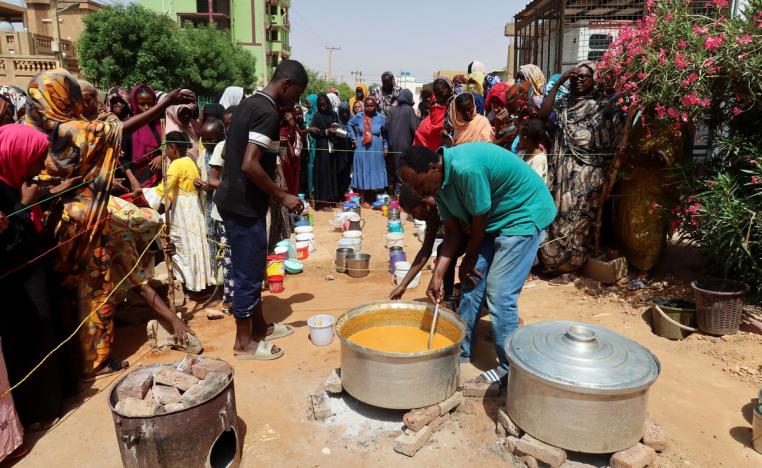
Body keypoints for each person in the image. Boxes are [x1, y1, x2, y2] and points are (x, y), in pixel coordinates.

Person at [25, 69, 196, 378]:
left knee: (62, 294)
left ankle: (68, 367)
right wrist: (163, 104)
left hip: (46, 226)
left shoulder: (30, 131)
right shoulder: (71, 131)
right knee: (93, 290)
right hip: (84, 224)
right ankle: (94, 362)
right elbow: (121, 130)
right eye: (76, 96)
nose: (81, 102)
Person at [399, 143, 556, 383]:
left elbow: (479, 219)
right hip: (495, 219)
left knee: (499, 294)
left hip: (523, 213)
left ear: (433, 168)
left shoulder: (467, 169)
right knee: (472, 285)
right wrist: (437, 276)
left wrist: (469, 259)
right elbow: (453, 234)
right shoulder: (440, 186)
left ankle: (510, 369)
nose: (420, 193)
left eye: (420, 186)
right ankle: (461, 352)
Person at [214, 59, 308, 360]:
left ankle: (260, 328)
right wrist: (283, 196)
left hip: (238, 199)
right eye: (297, 94)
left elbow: (231, 151)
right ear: (286, 84)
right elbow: (249, 164)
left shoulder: (249, 104)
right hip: (243, 205)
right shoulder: (266, 112)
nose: (296, 101)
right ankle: (244, 343)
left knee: (252, 267)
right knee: (248, 273)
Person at [0, 124, 78, 431]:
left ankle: (54, 398)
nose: (38, 166)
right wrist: (25, 206)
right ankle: (36, 411)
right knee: (29, 339)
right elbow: (6, 243)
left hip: (31, 271)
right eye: (34, 158)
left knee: (48, 328)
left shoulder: (14, 179)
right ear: (14, 155)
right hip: (13, 285)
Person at [538, 61, 624, 275]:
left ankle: (572, 266)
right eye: (575, 77)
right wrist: (559, 83)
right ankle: (552, 262)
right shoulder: (565, 102)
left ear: (594, 79)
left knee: (576, 221)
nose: (578, 81)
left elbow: (614, 139)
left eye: (584, 77)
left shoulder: (602, 106)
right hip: (561, 174)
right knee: (557, 218)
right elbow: (543, 114)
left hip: (587, 174)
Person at [144, 131, 214, 292]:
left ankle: (191, 283)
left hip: (183, 210)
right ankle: (200, 282)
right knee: (194, 243)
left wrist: (142, 193)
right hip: (193, 207)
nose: (165, 153)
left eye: (165, 149)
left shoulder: (176, 165)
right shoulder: (190, 161)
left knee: (183, 243)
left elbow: (164, 188)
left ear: (172, 147)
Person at [389, 185, 464, 301]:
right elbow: (425, 250)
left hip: (477, 232)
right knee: (441, 250)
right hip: (461, 234)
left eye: (414, 212)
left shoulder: (445, 204)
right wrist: (403, 285)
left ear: (424, 204)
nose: (414, 216)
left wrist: (470, 258)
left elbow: (456, 235)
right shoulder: (431, 215)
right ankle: (449, 297)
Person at [348, 96, 388, 206]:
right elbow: (349, 125)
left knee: (374, 170)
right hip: (362, 147)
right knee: (363, 169)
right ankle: (363, 198)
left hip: (376, 147)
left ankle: (372, 197)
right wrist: (354, 138)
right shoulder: (359, 116)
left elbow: (384, 134)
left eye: (371, 106)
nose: (369, 108)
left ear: (375, 107)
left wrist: (385, 146)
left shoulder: (380, 118)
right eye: (367, 106)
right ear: (364, 106)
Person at [126, 84, 164, 188]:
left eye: (150, 104)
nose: (146, 108)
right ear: (134, 103)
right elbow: (123, 158)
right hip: (136, 179)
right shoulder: (128, 126)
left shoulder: (161, 124)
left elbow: (168, 146)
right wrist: (133, 181)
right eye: (142, 104)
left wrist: (161, 156)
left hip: (160, 178)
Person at [309, 93, 341, 209]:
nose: (323, 107)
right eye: (321, 105)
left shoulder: (333, 114)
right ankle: (323, 201)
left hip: (333, 146)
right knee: (323, 173)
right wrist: (326, 132)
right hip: (322, 148)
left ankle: (332, 199)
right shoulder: (317, 116)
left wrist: (336, 131)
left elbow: (337, 127)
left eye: (325, 105)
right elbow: (314, 132)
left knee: (333, 172)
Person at [386, 89, 420, 195]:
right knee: (403, 172)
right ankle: (399, 197)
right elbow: (415, 128)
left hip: (392, 146)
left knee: (395, 171)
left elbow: (386, 127)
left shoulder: (391, 110)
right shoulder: (409, 110)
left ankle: (395, 195)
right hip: (405, 146)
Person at [414, 77, 453, 151]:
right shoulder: (436, 111)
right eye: (437, 93)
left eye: (441, 92)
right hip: (425, 154)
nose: (439, 96)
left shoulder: (455, 108)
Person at [518, 119, 549, 185]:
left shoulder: (539, 160)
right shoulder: (521, 154)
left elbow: (533, 184)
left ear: (525, 138)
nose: (518, 138)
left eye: (519, 135)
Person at [336, 102, 354, 195]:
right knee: (340, 170)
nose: (344, 114)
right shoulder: (336, 119)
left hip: (350, 150)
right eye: (342, 112)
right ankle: (340, 191)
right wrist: (345, 134)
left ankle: (347, 188)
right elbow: (335, 131)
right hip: (339, 151)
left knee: (348, 170)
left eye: (346, 111)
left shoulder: (352, 119)